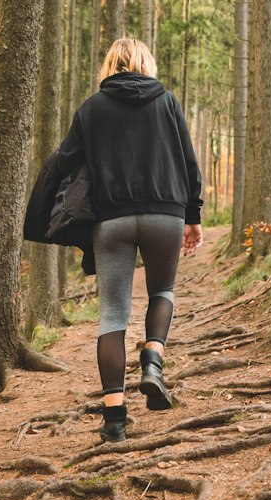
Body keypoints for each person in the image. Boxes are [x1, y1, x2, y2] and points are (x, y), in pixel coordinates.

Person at [24, 37, 203, 443]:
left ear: (109, 65)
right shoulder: (168, 102)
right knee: (163, 290)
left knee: (112, 317)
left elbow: (63, 161)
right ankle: (153, 360)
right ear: (145, 62)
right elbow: (188, 160)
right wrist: (192, 216)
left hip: (111, 220)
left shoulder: (91, 109)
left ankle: (114, 421)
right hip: (165, 213)